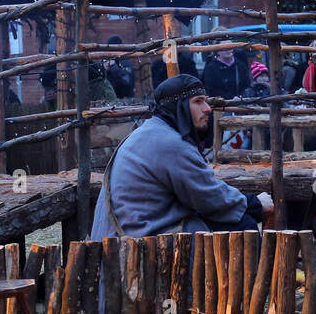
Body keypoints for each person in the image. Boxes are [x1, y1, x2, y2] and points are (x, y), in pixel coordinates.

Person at [91, 74, 263, 239]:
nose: (208, 108)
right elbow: (208, 197)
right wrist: (254, 203)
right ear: (178, 106)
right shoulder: (169, 142)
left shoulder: (151, 131)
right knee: (243, 227)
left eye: (206, 101)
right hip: (137, 241)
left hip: (130, 232)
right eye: (198, 102)